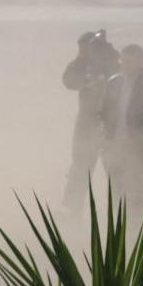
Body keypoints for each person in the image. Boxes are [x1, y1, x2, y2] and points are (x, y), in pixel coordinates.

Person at [98, 44, 143, 210]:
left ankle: (132, 225)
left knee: (134, 189)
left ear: (140, 61)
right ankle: (115, 223)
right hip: (113, 143)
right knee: (115, 186)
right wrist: (102, 132)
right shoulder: (114, 82)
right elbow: (103, 111)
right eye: (123, 60)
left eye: (129, 60)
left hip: (136, 145)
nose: (125, 64)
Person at [61, 29, 118, 213]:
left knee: (114, 168)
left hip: (110, 124)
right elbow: (68, 80)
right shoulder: (80, 64)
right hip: (86, 124)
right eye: (83, 50)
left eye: (87, 49)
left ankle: (121, 209)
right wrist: (87, 76)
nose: (84, 53)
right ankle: (72, 208)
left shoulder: (111, 61)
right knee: (80, 167)